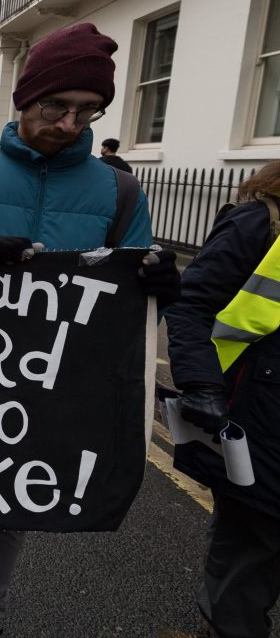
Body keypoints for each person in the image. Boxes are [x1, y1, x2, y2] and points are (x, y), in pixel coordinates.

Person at [0, 22, 180, 638]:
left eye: (87, 111)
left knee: (11, 512)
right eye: (55, 106)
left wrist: (156, 289)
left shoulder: (121, 193)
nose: (70, 125)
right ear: (24, 100)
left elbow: (128, 299)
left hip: (48, 383)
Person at [166, 162, 280, 638]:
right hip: (263, 422)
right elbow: (192, 304)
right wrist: (202, 385)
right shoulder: (261, 222)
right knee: (250, 556)